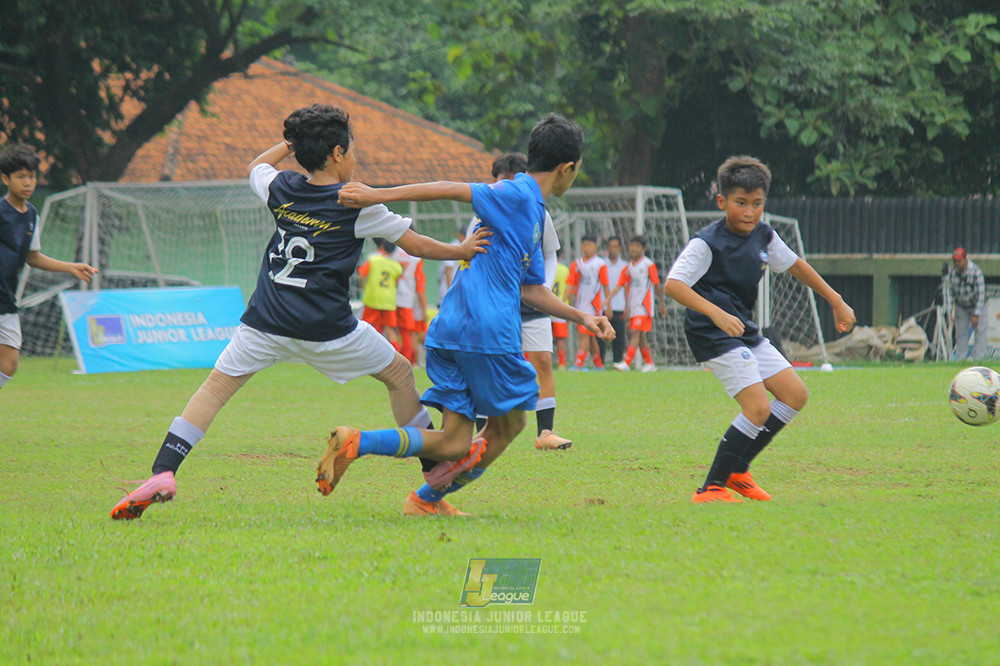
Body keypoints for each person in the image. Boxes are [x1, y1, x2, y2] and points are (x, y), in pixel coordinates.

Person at [109, 104, 489, 520]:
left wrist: (291, 145)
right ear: (339, 153)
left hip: (266, 321)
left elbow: (257, 165)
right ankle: (433, 482)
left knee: (215, 389)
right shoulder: (355, 201)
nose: (356, 158)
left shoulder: (282, 188)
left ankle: (164, 471)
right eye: (354, 150)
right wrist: (461, 250)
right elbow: (415, 245)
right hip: (328, 329)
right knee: (398, 374)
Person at [320, 114, 613, 516]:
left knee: (455, 442)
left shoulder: (532, 213)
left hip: (450, 329)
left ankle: (359, 442)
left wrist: (581, 317)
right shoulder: (517, 194)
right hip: (487, 333)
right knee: (509, 427)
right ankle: (427, 498)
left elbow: (530, 289)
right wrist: (375, 194)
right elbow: (447, 188)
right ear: (568, 168)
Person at [664, 155, 855, 504]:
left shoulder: (764, 235)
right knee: (757, 408)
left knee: (794, 394)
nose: (750, 212)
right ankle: (710, 489)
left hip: (742, 328)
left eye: (757, 204)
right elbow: (673, 285)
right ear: (722, 202)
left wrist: (835, 299)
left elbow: (796, 265)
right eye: (741, 203)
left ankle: (738, 471)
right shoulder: (706, 243)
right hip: (711, 330)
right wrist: (715, 313)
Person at [0, 145, 98, 390]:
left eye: (32, 176)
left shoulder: (31, 214)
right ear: (5, 179)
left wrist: (70, 267)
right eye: (20, 177)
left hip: (6, 297)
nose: (27, 183)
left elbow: (33, 257)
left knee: (10, 364)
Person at [610, 235, 668, 372]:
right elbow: (620, 285)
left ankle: (627, 363)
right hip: (633, 306)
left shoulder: (648, 265)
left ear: (643, 249)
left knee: (634, 332)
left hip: (644, 306)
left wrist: (661, 304)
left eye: (638, 246)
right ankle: (649, 363)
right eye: (632, 246)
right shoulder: (629, 267)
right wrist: (609, 300)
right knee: (640, 336)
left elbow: (657, 285)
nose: (634, 249)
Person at [567, 234, 611, 370]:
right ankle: (598, 365)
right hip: (580, 305)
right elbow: (570, 284)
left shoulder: (600, 264)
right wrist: (565, 301)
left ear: (596, 247)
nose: (587, 248)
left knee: (584, 334)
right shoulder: (577, 264)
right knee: (591, 337)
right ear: (581, 246)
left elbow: (605, 285)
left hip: (593, 306)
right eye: (584, 245)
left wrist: (608, 304)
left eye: (590, 245)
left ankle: (579, 364)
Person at [357, 239, 402, 347]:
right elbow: (396, 282)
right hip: (388, 300)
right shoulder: (397, 266)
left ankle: (366, 352)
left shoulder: (373, 259)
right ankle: (396, 356)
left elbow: (361, 276)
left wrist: (363, 287)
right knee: (390, 329)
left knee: (367, 326)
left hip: (373, 298)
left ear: (382, 247)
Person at [390, 241, 428, 364]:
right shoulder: (416, 257)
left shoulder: (393, 252)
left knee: (391, 330)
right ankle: (409, 361)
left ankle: (394, 360)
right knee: (408, 333)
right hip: (407, 299)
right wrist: (424, 307)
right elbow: (420, 284)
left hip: (391, 297)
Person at [949, 247, 988, 360]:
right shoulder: (952, 272)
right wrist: (949, 309)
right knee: (961, 333)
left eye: (959, 260)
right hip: (961, 305)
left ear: (965, 259)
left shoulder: (976, 272)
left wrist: (976, 314)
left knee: (980, 332)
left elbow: (981, 294)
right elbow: (950, 291)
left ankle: (978, 360)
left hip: (977, 305)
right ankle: (960, 360)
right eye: (955, 260)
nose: (956, 263)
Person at [602, 236, 628, 367]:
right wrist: (606, 304)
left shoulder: (624, 266)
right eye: (611, 247)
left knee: (618, 336)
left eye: (615, 247)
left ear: (620, 248)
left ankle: (617, 362)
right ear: (607, 248)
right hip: (603, 305)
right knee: (601, 335)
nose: (613, 249)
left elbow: (625, 287)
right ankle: (599, 363)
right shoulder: (601, 264)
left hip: (619, 305)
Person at [550, 249, 571, 370]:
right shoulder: (564, 270)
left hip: (545, 307)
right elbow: (570, 289)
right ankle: (562, 364)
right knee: (560, 339)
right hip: (560, 308)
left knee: (544, 337)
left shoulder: (543, 267)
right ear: (561, 255)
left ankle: (531, 362)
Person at [437, 227, 465, 307]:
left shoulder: (463, 246)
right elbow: (448, 270)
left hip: (456, 289)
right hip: (448, 290)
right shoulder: (454, 246)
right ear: (459, 235)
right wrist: (450, 290)